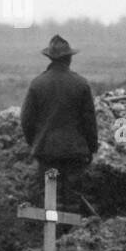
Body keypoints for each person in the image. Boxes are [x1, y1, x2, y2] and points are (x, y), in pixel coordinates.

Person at [20, 35, 98, 215]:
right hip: (75, 154)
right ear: (69, 58)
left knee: (50, 197)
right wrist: (91, 148)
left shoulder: (37, 84)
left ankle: (52, 239)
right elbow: (89, 122)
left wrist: (36, 143)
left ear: (50, 58)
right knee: (72, 198)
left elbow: (26, 120)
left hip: (47, 154)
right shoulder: (81, 84)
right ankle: (70, 239)